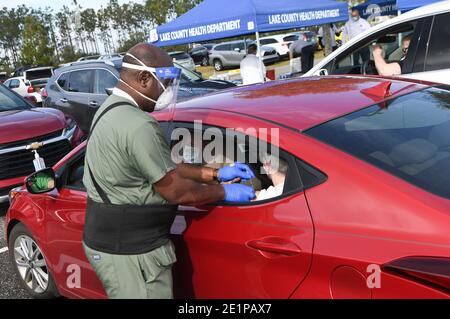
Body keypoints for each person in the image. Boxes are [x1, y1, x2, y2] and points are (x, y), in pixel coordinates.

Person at [82, 43, 256, 299]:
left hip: (112, 245)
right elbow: (174, 189)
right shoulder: (138, 125)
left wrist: (214, 174)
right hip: (133, 253)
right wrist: (223, 192)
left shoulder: (109, 110)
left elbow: (161, 166)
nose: (168, 91)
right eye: (165, 81)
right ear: (143, 78)